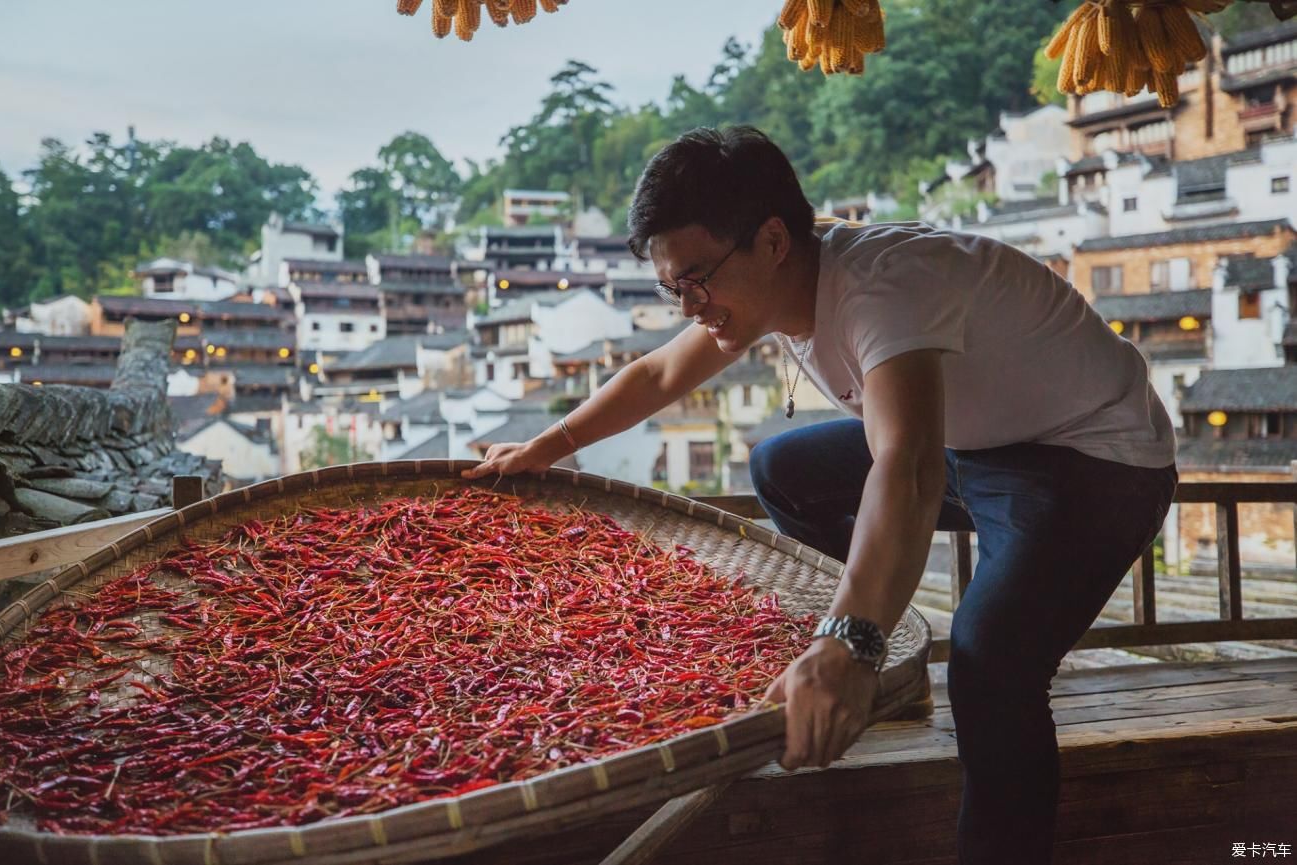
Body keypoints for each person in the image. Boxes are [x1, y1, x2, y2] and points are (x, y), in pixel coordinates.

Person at [461, 125, 1176, 864]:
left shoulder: (882, 289)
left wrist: (847, 644)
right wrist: (547, 447)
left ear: (772, 239)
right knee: (782, 466)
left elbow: (907, 470)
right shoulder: (773, 281)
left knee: (989, 659)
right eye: (674, 287)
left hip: (1094, 458)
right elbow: (658, 375)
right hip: (980, 443)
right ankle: (874, 655)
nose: (688, 306)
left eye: (697, 279)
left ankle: (860, 662)